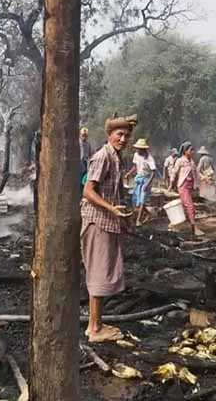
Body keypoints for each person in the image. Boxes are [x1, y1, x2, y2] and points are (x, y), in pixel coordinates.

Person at [81, 114, 137, 343]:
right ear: (109, 135)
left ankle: (97, 323)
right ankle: (94, 329)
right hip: (97, 221)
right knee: (99, 272)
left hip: (109, 221)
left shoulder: (117, 158)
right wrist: (111, 209)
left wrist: (123, 218)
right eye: (119, 134)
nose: (123, 139)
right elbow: (88, 191)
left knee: (104, 271)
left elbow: (115, 193)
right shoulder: (102, 156)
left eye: (126, 135)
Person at [172, 141, 203, 237]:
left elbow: (196, 173)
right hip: (183, 186)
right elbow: (174, 172)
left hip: (190, 187)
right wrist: (170, 184)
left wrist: (204, 178)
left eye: (193, 149)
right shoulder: (180, 161)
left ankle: (173, 224)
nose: (193, 151)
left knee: (185, 207)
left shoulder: (192, 161)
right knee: (190, 206)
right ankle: (195, 228)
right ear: (185, 151)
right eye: (191, 150)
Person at [126, 138, 157, 226]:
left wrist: (148, 184)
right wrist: (129, 173)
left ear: (143, 149)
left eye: (139, 148)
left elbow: (153, 172)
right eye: (137, 148)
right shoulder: (136, 155)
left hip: (146, 179)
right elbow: (135, 166)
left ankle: (138, 220)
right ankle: (148, 214)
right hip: (139, 178)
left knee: (142, 200)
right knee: (136, 200)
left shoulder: (149, 158)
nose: (137, 150)